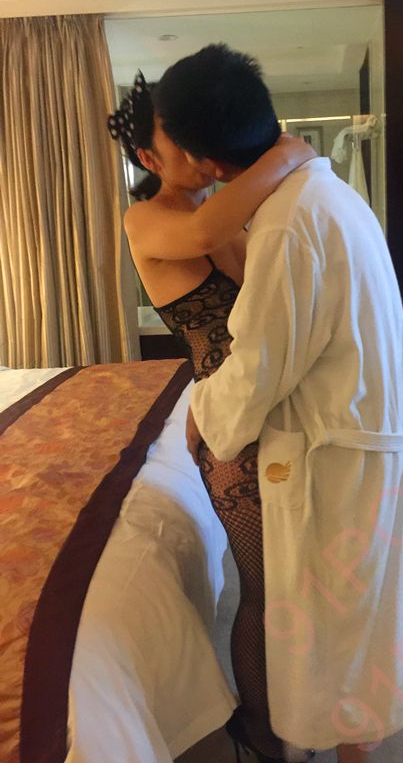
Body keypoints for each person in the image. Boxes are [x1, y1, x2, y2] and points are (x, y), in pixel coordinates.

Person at [153, 44, 403, 763]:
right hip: (363, 434)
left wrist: (202, 416)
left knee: (339, 624)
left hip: (338, 455)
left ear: (203, 160)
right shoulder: (323, 194)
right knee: (359, 614)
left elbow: (261, 364)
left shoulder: (290, 222)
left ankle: (349, 749)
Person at [108, 72, 318, 763]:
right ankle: (258, 729)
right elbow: (206, 230)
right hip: (230, 434)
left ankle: (299, 705)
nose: (201, 156)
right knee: (263, 590)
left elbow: (264, 287)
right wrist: (286, 153)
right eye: (182, 145)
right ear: (149, 158)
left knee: (296, 576)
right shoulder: (149, 219)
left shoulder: (220, 210)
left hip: (262, 410)